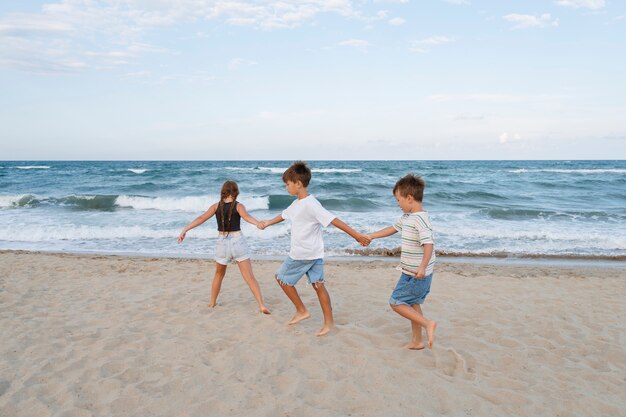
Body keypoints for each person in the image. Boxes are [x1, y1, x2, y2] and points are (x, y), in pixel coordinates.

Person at [258, 161, 370, 336]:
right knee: (319, 286)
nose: (286, 187)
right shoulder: (297, 204)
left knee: (281, 278)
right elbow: (283, 215)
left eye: (287, 184)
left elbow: (333, 220)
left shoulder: (311, 204)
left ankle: (302, 310)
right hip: (315, 253)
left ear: (298, 184)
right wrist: (267, 223)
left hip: (302, 254)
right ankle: (329, 323)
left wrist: (356, 235)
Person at [366, 174, 437, 349]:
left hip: (417, 274)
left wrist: (422, 267)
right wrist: (371, 236)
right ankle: (417, 341)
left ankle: (428, 323)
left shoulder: (420, 220)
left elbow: (428, 245)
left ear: (410, 198)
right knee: (413, 304)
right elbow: (392, 229)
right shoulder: (407, 218)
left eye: (398, 200)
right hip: (410, 271)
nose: (398, 204)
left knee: (396, 302)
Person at [178, 180, 270, 314]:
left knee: (219, 274)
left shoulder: (216, 206)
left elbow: (201, 218)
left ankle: (212, 303)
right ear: (236, 193)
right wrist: (258, 224)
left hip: (222, 243)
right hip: (238, 242)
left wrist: (185, 229)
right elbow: (246, 217)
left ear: (223, 192)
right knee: (249, 277)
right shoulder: (239, 206)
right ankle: (261, 305)